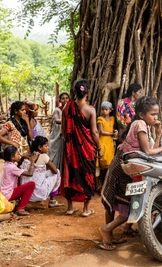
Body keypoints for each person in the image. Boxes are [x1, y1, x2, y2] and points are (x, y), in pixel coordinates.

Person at [100, 97, 162, 251]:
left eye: (157, 114)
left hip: (133, 166)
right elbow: (149, 152)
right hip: (123, 166)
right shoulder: (140, 124)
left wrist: (157, 135)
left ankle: (125, 229)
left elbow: (150, 150)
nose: (156, 117)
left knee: (129, 201)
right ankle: (106, 231)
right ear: (142, 114)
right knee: (116, 199)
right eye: (153, 114)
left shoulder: (145, 125)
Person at [61, 79, 102, 217]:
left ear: (74, 92)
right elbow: (94, 132)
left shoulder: (67, 107)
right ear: (88, 92)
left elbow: (64, 130)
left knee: (70, 174)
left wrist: (70, 143)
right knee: (87, 174)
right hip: (87, 149)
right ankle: (86, 209)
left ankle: (70, 207)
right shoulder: (90, 110)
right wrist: (100, 147)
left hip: (70, 148)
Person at [20, 136, 63, 208]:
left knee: (41, 174)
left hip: (26, 194)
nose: (48, 148)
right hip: (39, 194)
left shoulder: (27, 155)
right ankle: (52, 200)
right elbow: (55, 171)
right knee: (57, 172)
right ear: (40, 147)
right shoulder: (44, 156)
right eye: (46, 146)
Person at [0, 146, 36, 216]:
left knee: (19, 180)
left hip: (4, 193)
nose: (19, 155)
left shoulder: (7, 164)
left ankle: (18, 204)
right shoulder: (11, 167)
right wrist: (32, 161)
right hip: (8, 194)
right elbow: (30, 174)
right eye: (17, 154)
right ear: (12, 157)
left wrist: (22, 158)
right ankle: (20, 208)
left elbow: (17, 164)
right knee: (31, 184)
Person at [96, 101, 118, 192]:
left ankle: (105, 186)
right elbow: (101, 131)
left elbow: (115, 128)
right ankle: (98, 185)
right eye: (103, 109)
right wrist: (112, 133)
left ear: (110, 110)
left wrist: (115, 132)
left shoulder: (113, 119)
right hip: (102, 142)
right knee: (101, 164)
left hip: (110, 144)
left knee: (109, 165)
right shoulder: (100, 119)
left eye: (106, 109)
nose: (104, 111)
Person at [48, 92, 70, 172]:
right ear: (60, 100)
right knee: (55, 159)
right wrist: (69, 121)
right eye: (63, 98)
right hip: (57, 138)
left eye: (67, 98)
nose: (65, 100)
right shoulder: (57, 110)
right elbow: (57, 120)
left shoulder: (71, 110)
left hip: (66, 138)